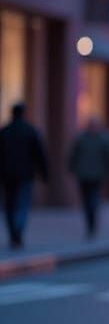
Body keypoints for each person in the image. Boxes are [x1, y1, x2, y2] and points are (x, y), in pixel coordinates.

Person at [0, 102, 48, 250]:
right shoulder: (30, 131)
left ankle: (14, 233)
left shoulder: (5, 131)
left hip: (7, 174)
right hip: (25, 174)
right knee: (22, 204)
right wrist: (44, 173)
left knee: (9, 205)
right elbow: (39, 154)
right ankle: (17, 232)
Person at [67, 118, 109, 239]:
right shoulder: (99, 139)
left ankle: (91, 223)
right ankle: (91, 223)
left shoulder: (90, 139)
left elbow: (108, 157)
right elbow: (74, 156)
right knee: (90, 199)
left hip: (91, 175)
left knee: (90, 199)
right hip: (89, 175)